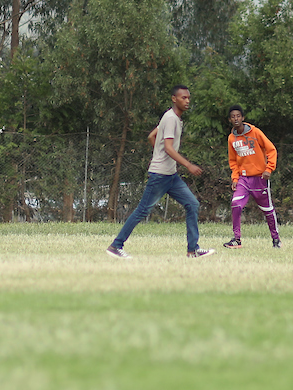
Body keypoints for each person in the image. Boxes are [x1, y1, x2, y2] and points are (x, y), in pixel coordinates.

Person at [107, 85, 214, 259]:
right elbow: (169, 149)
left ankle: (192, 249)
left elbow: (152, 136)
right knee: (142, 210)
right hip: (160, 175)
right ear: (174, 99)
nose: (187, 101)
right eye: (183, 98)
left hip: (171, 176)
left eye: (188, 98)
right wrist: (188, 165)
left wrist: (158, 153)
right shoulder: (171, 118)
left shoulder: (172, 118)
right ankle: (116, 246)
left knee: (192, 204)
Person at [223, 106, 280, 249]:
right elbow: (233, 161)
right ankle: (237, 239)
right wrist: (235, 179)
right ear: (230, 120)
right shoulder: (231, 138)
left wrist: (269, 169)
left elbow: (271, 149)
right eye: (233, 117)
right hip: (243, 179)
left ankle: (276, 239)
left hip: (259, 179)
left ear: (242, 118)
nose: (235, 119)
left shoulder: (255, 132)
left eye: (238, 116)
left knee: (267, 210)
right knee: (236, 204)